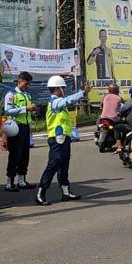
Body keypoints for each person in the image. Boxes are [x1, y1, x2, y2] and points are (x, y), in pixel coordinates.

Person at [35, 76, 91, 206]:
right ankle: (40, 193)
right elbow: (67, 100)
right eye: (62, 88)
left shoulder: (58, 102)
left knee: (64, 166)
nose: (63, 90)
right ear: (56, 89)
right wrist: (83, 92)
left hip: (64, 138)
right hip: (57, 139)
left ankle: (66, 192)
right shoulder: (54, 102)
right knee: (53, 165)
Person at [3, 72, 38, 192]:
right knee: (15, 155)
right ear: (20, 81)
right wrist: (25, 109)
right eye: (26, 83)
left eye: (29, 84)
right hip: (15, 128)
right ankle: (9, 182)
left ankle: (22, 181)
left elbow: (28, 111)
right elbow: (7, 111)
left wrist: (32, 109)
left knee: (24, 155)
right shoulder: (11, 94)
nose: (27, 86)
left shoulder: (27, 95)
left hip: (26, 127)